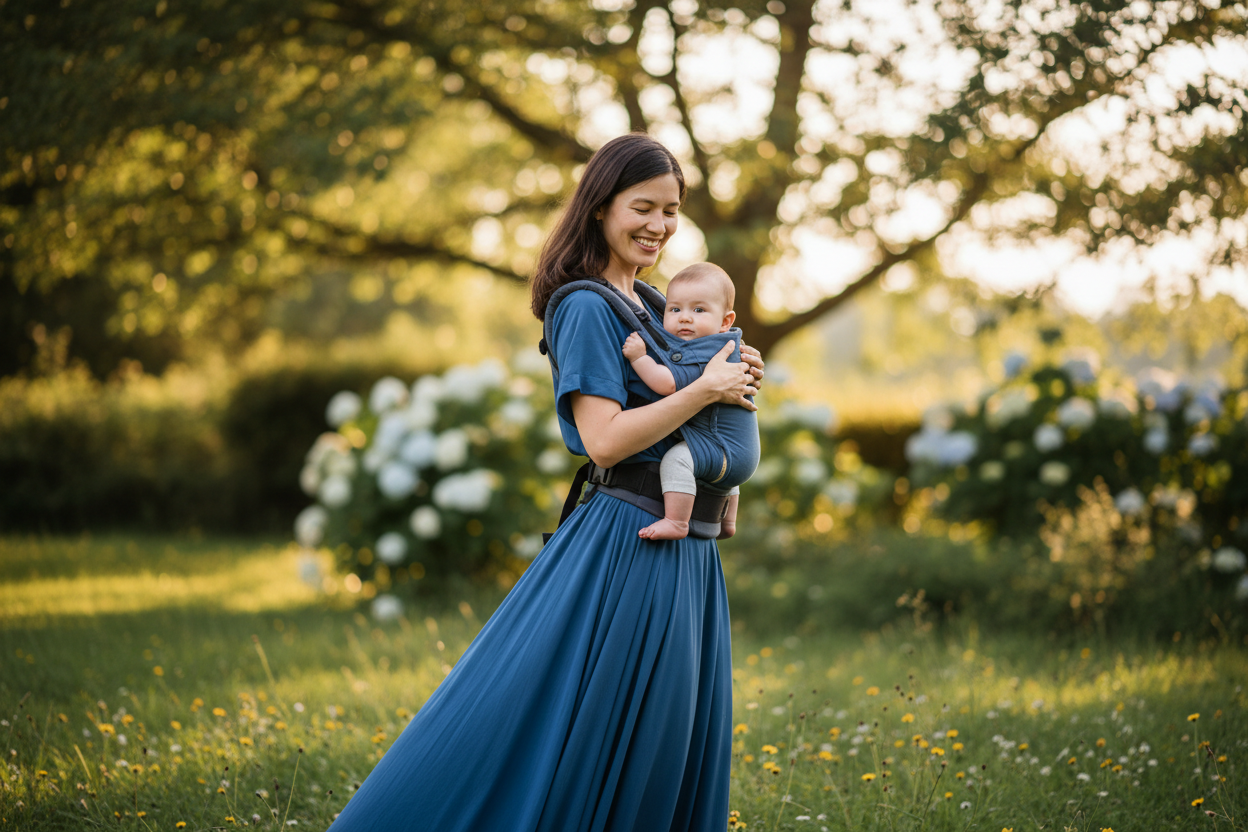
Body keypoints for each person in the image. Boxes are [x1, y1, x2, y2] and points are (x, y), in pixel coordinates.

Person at [325, 132, 763, 832]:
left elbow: (696, 391)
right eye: (642, 207)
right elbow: (606, 439)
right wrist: (703, 390)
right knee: (572, 730)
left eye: (672, 210)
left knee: (662, 738)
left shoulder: (656, 302)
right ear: (599, 208)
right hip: (630, 543)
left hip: (686, 548)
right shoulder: (586, 306)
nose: (659, 225)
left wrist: (732, 375)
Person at [621, 262, 759, 541]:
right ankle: (727, 521)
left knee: (676, 460)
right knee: (720, 470)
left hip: (724, 451)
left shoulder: (704, 351)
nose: (685, 318)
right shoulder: (728, 346)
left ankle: (676, 522)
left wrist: (639, 357)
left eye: (698, 310)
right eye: (675, 309)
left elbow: (666, 383)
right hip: (741, 452)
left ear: (725, 321)